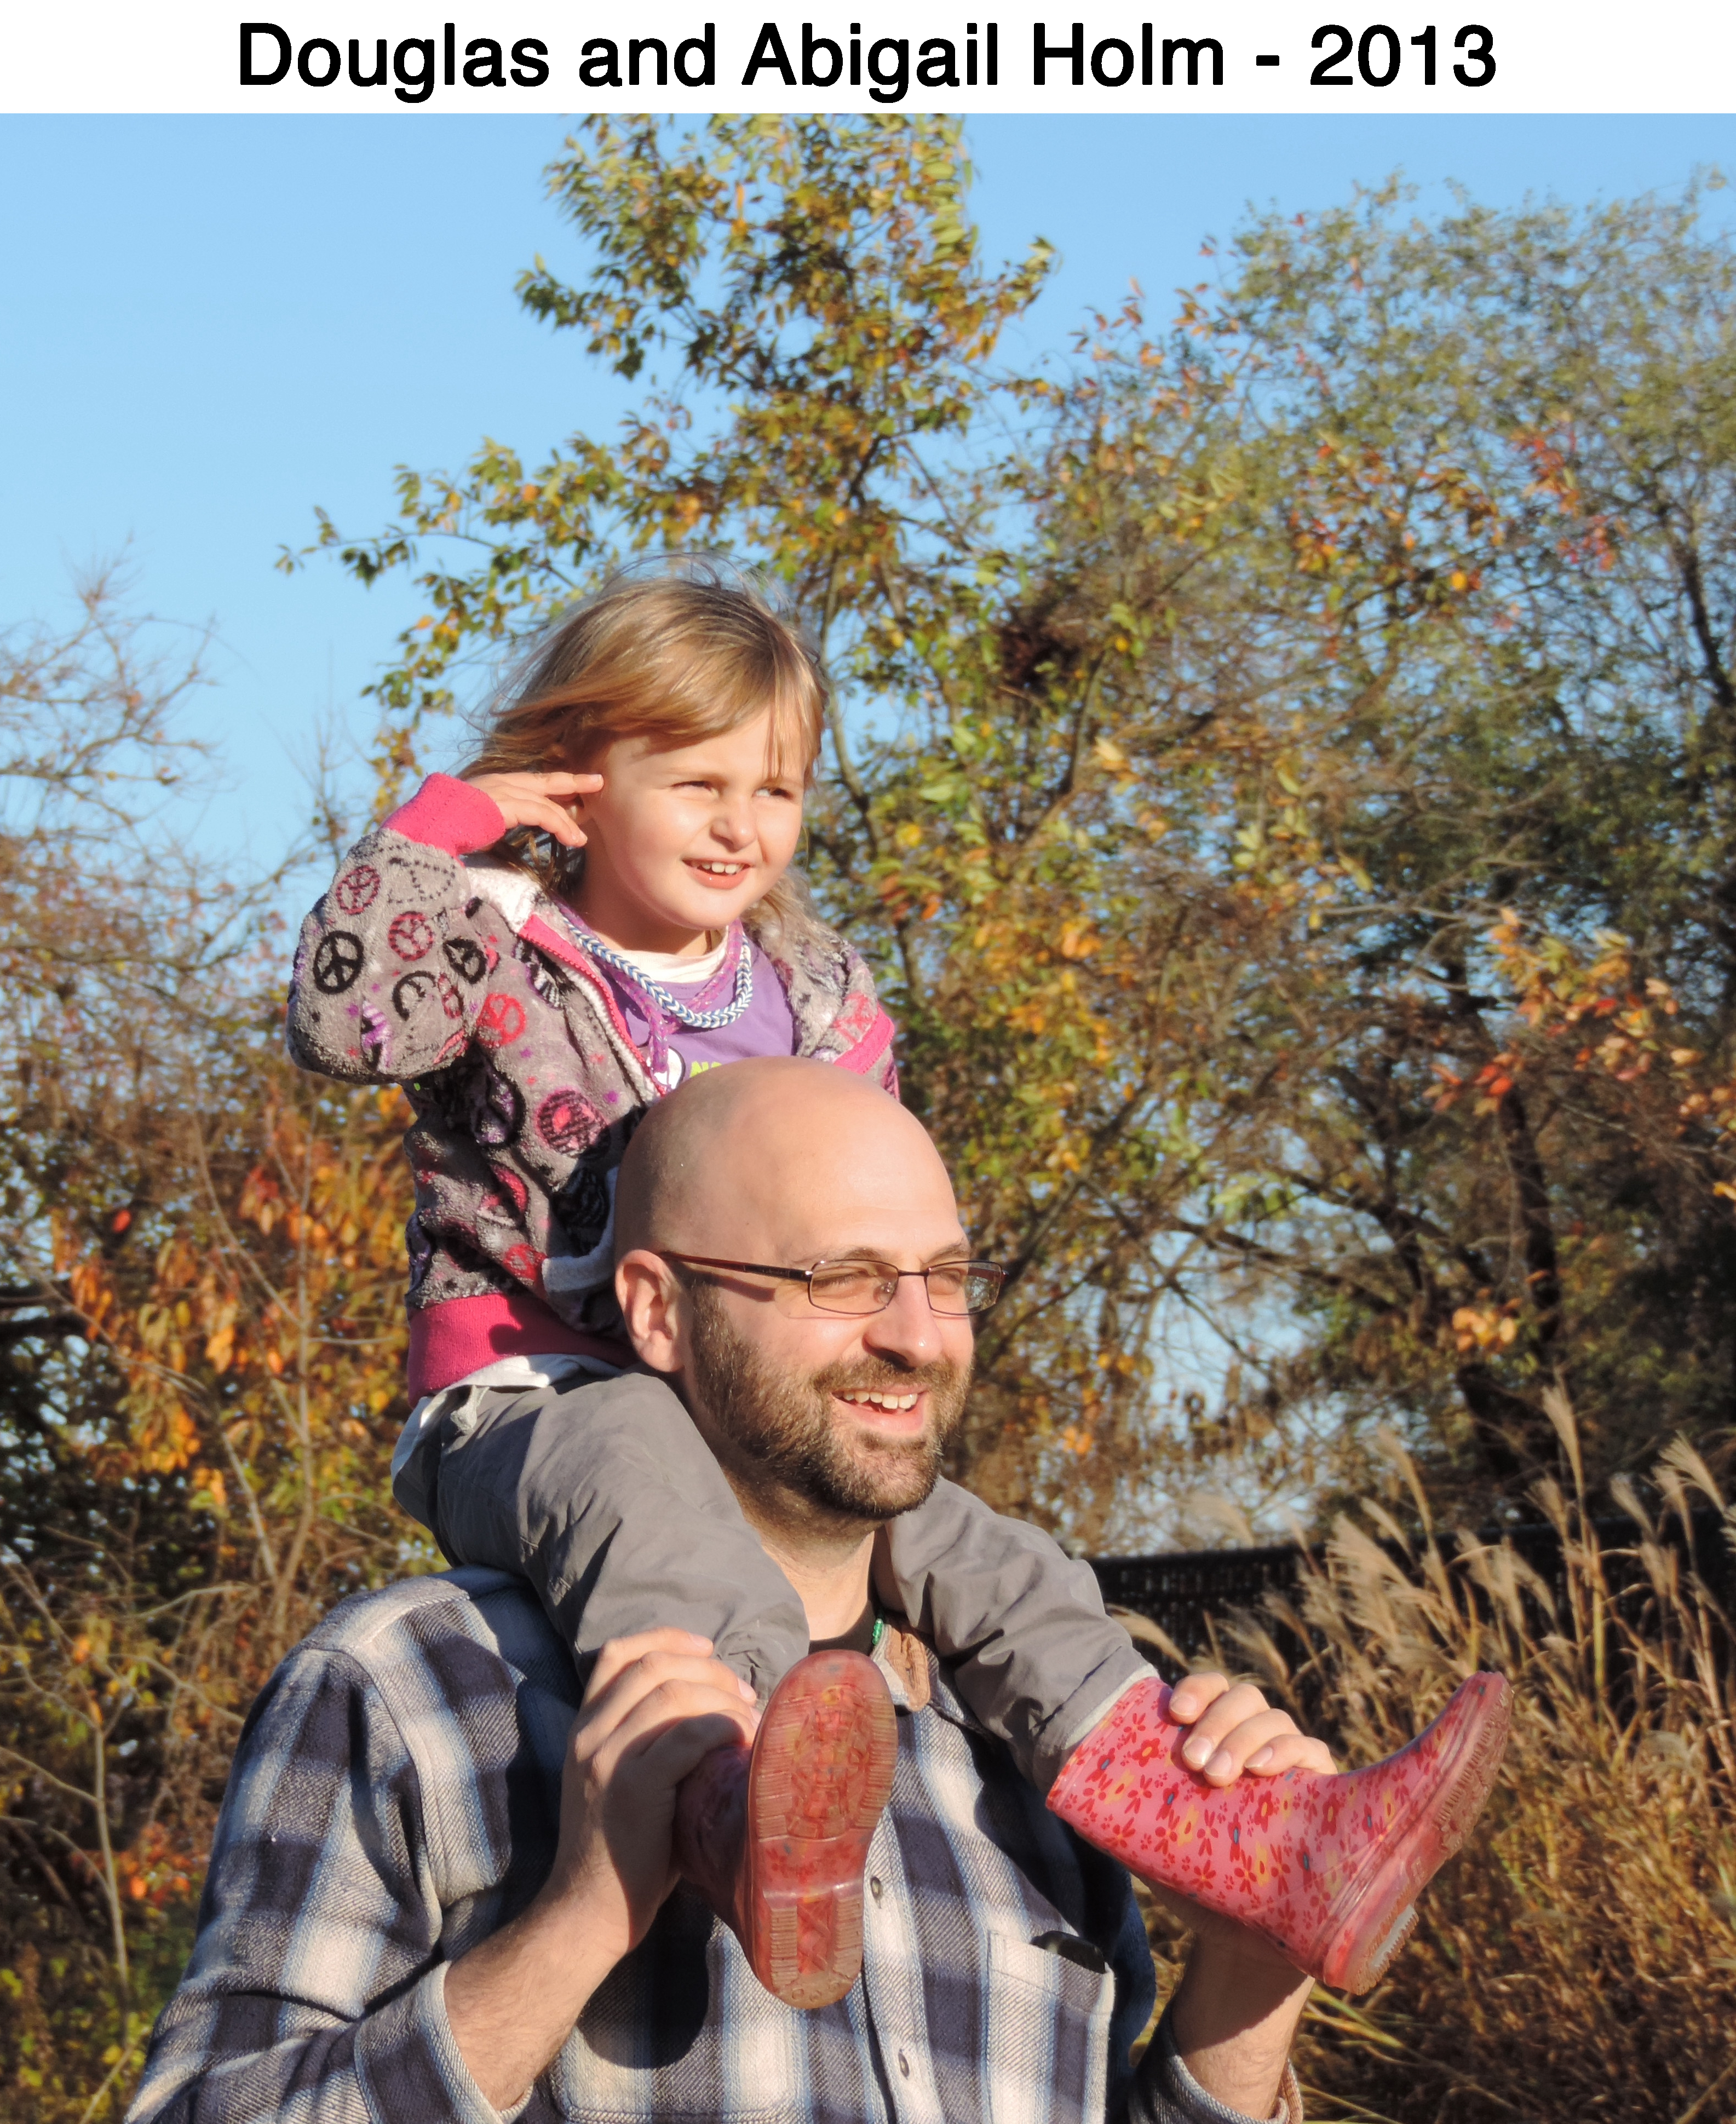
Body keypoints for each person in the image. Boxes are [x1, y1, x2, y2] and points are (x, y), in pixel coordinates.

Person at [284, 561, 1505, 2009]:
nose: (744, 827)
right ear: (581, 774)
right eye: (695, 783)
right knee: (638, 1478)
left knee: (998, 1563)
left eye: (779, 790)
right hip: (536, 1396)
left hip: (745, 1418)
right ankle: (734, 1799)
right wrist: (453, 825)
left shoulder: (813, 995)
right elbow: (343, 1024)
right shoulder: (500, 946)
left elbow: (857, 1214)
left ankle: (1246, 1843)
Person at [128, 1062, 1338, 2124]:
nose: (918, 1335)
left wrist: (1254, 1964)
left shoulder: (1027, 1739)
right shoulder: (415, 1690)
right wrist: (576, 1923)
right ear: (657, 1307)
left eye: (947, 1274)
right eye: (841, 1278)